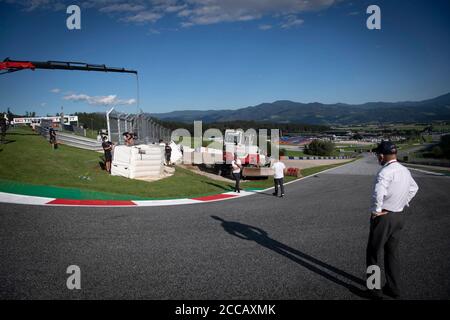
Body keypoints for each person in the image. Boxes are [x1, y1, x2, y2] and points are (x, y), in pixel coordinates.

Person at [366, 140, 419, 299]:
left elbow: (378, 193)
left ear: (382, 155)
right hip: (398, 216)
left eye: (377, 155)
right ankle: (393, 288)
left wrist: (376, 211)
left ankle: (373, 290)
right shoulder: (404, 170)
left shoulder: (384, 172)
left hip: (383, 217)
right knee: (392, 254)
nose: (377, 157)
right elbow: (414, 188)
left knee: (373, 254)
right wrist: (402, 202)